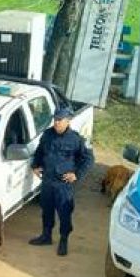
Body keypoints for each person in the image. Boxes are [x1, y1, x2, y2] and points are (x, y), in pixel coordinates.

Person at [29, 107, 95, 256]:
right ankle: (46, 236)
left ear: (68, 121)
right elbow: (39, 151)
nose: (56, 123)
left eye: (60, 120)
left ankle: (64, 240)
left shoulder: (76, 139)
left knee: (64, 213)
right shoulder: (47, 135)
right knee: (46, 210)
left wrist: (76, 174)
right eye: (55, 120)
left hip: (63, 185)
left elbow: (88, 159)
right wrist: (35, 165)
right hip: (47, 181)